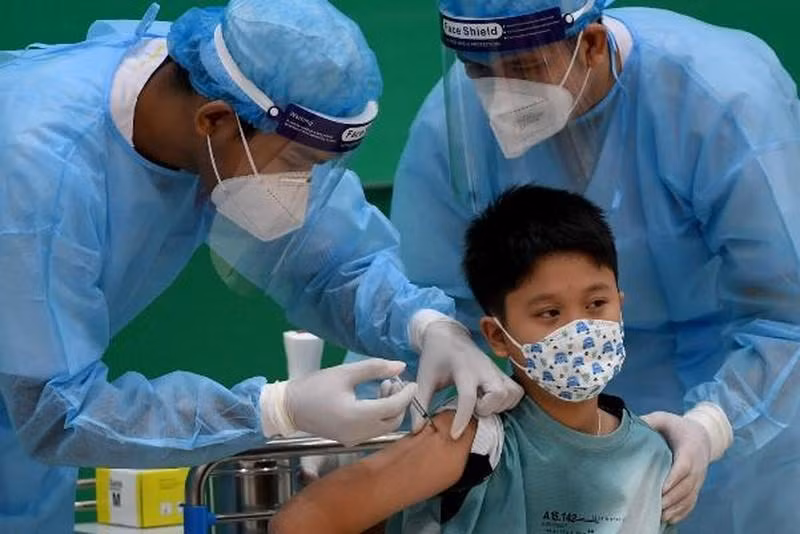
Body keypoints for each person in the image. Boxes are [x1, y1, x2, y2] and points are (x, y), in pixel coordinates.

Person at [0, 0, 523, 531]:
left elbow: (334, 264)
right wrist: (274, 409)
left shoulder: (228, 86)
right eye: (296, 165)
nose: (302, 191)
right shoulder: (38, 166)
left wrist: (426, 324)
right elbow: (55, 410)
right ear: (214, 121)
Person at [344, 0, 800, 530]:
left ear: (591, 44)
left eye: (524, 68)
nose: (501, 95)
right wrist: (378, 409)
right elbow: (420, 300)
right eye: (479, 71)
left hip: (754, 420)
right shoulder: (455, 125)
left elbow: (787, 317)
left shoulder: (723, 102)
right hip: (559, 436)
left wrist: (715, 425)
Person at [271, 184, 675, 534]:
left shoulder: (651, 456)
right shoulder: (473, 441)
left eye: (596, 303)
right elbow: (301, 523)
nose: (579, 329)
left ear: (620, 306)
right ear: (498, 336)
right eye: (549, 313)